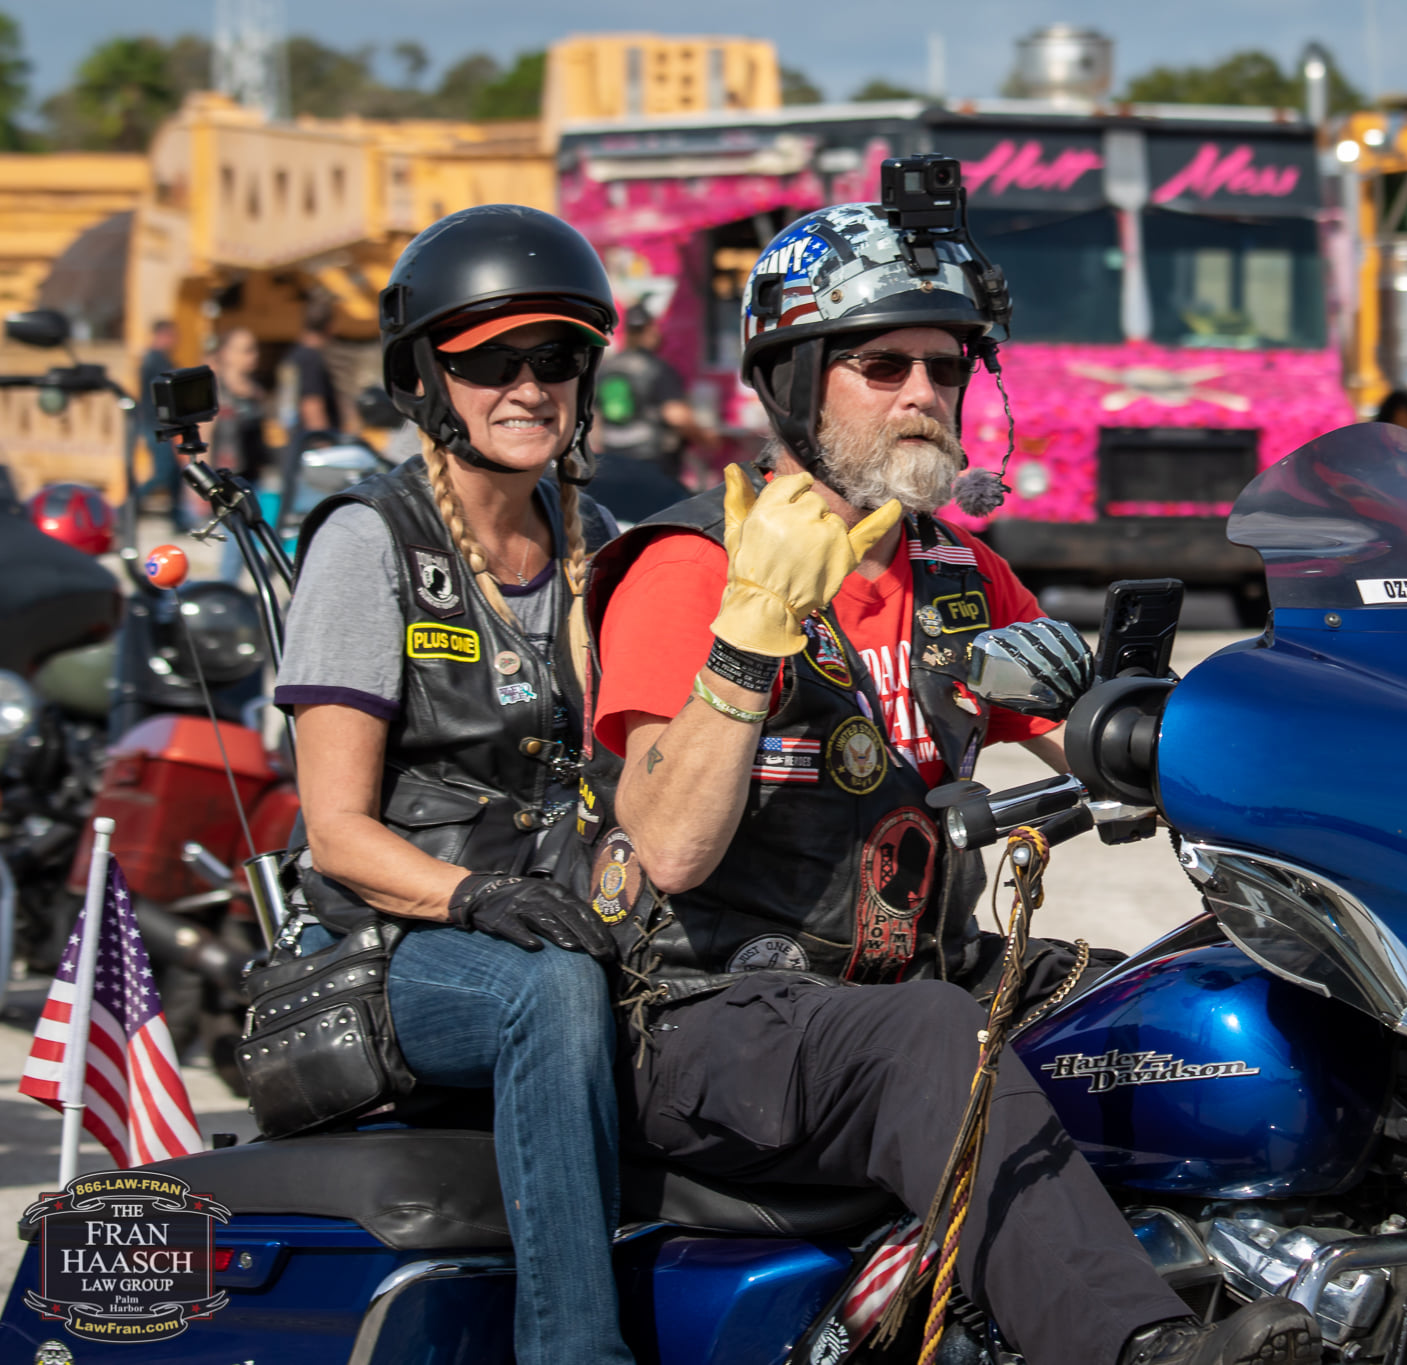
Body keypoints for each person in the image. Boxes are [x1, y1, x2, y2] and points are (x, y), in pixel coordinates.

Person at [586, 202, 1317, 1365]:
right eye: (882, 364)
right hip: (712, 1017)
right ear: (792, 381)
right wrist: (749, 636)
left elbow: (1098, 737)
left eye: (946, 363)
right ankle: (1133, 1350)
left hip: (921, 976)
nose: (924, 390)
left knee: (1204, 1004)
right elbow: (666, 848)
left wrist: (1326, 748)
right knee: (932, 1033)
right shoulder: (689, 566)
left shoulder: (956, 572)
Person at [272, 204, 632, 1364]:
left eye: (556, 358)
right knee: (555, 995)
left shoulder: (606, 542)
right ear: (427, 379)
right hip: (392, 951)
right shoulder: (368, 545)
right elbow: (333, 833)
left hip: (562, 916)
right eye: (488, 361)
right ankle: (575, 1350)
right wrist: (474, 900)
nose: (528, 388)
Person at [593, 300, 701, 477]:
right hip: (652, 461)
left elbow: (596, 417)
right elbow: (677, 416)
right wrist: (704, 438)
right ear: (650, 330)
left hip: (612, 459)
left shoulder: (606, 368)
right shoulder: (657, 368)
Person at [135, 318, 189, 531]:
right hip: (155, 425)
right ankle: (127, 507)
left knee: (175, 473)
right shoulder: (154, 360)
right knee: (164, 472)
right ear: (162, 335)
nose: (175, 341)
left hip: (162, 425)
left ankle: (177, 519)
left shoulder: (160, 359)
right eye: (172, 336)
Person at [204, 327, 272, 484]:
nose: (254, 356)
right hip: (224, 477)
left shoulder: (256, 391)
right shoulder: (216, 391)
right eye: (247, 351)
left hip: (253, 476)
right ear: (226, 353)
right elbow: (204, 437)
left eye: (255, 350)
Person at [282, 292, 345, 439]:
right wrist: (322, 442)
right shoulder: (311, 359)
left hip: (296, 439)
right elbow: (312, 404)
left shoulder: (294, 356)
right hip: (311, 443)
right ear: (329, 327)